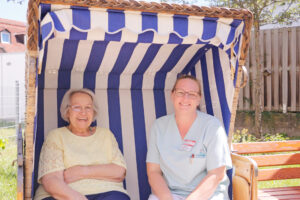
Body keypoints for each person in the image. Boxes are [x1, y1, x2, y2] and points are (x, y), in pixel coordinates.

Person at [146, 75, 232, 200]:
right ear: (172, 95)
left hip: (208, 194)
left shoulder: (212, 127)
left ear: (199, 99)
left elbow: (216, 174)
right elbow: (153, 172)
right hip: (171, 195)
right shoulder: (158, 127)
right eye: (180, 92)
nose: (185, 98)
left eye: (192, 94)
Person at [34, 88, 130, 200]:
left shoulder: (106, 135)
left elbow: (119, 172)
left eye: (88, 107)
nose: (83, 112)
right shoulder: (56, 136)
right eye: (77, 107)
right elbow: (51, 180)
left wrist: (82, 171)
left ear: (93, 112)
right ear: (67, 111)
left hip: (108, 193)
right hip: (64, 196)